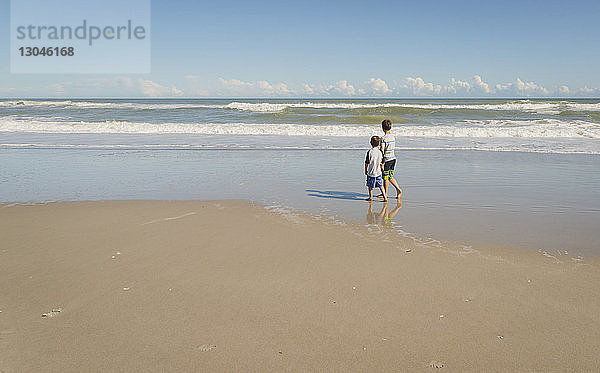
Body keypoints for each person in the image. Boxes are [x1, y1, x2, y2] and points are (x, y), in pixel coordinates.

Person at [380, 119, 402, 199]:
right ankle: (398, 190)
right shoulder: (393, 137)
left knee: (385, 178)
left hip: (387, 160)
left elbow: (382, 150)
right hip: (393, 159)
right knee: (390, 176)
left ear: (382, 128)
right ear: (390, 127)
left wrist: (381, 161)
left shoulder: (383, 138)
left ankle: (385, 193)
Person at [365, 136, 387, 202]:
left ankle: (370, 197)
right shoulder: (380, 152)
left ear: (370, 143)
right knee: (381, 186)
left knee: (370, 186)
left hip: (371, 172)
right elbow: (383, 162)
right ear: (379, 143)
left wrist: (365, 170)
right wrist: (382, 167)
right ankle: (385, 197)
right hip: (378, 172)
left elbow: (366, 162)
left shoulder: (369, 152)